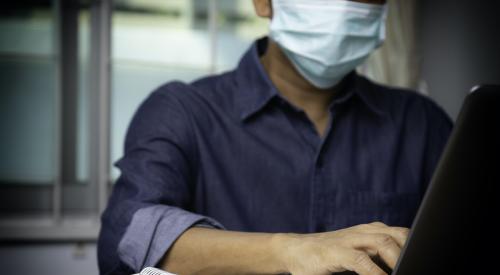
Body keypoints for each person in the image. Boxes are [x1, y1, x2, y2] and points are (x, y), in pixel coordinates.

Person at [98, 0, 452, 274]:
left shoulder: (423, 123)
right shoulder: (182, 111)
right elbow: (125, 237)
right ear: (263, 2)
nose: (343, 6)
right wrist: (295, 251)